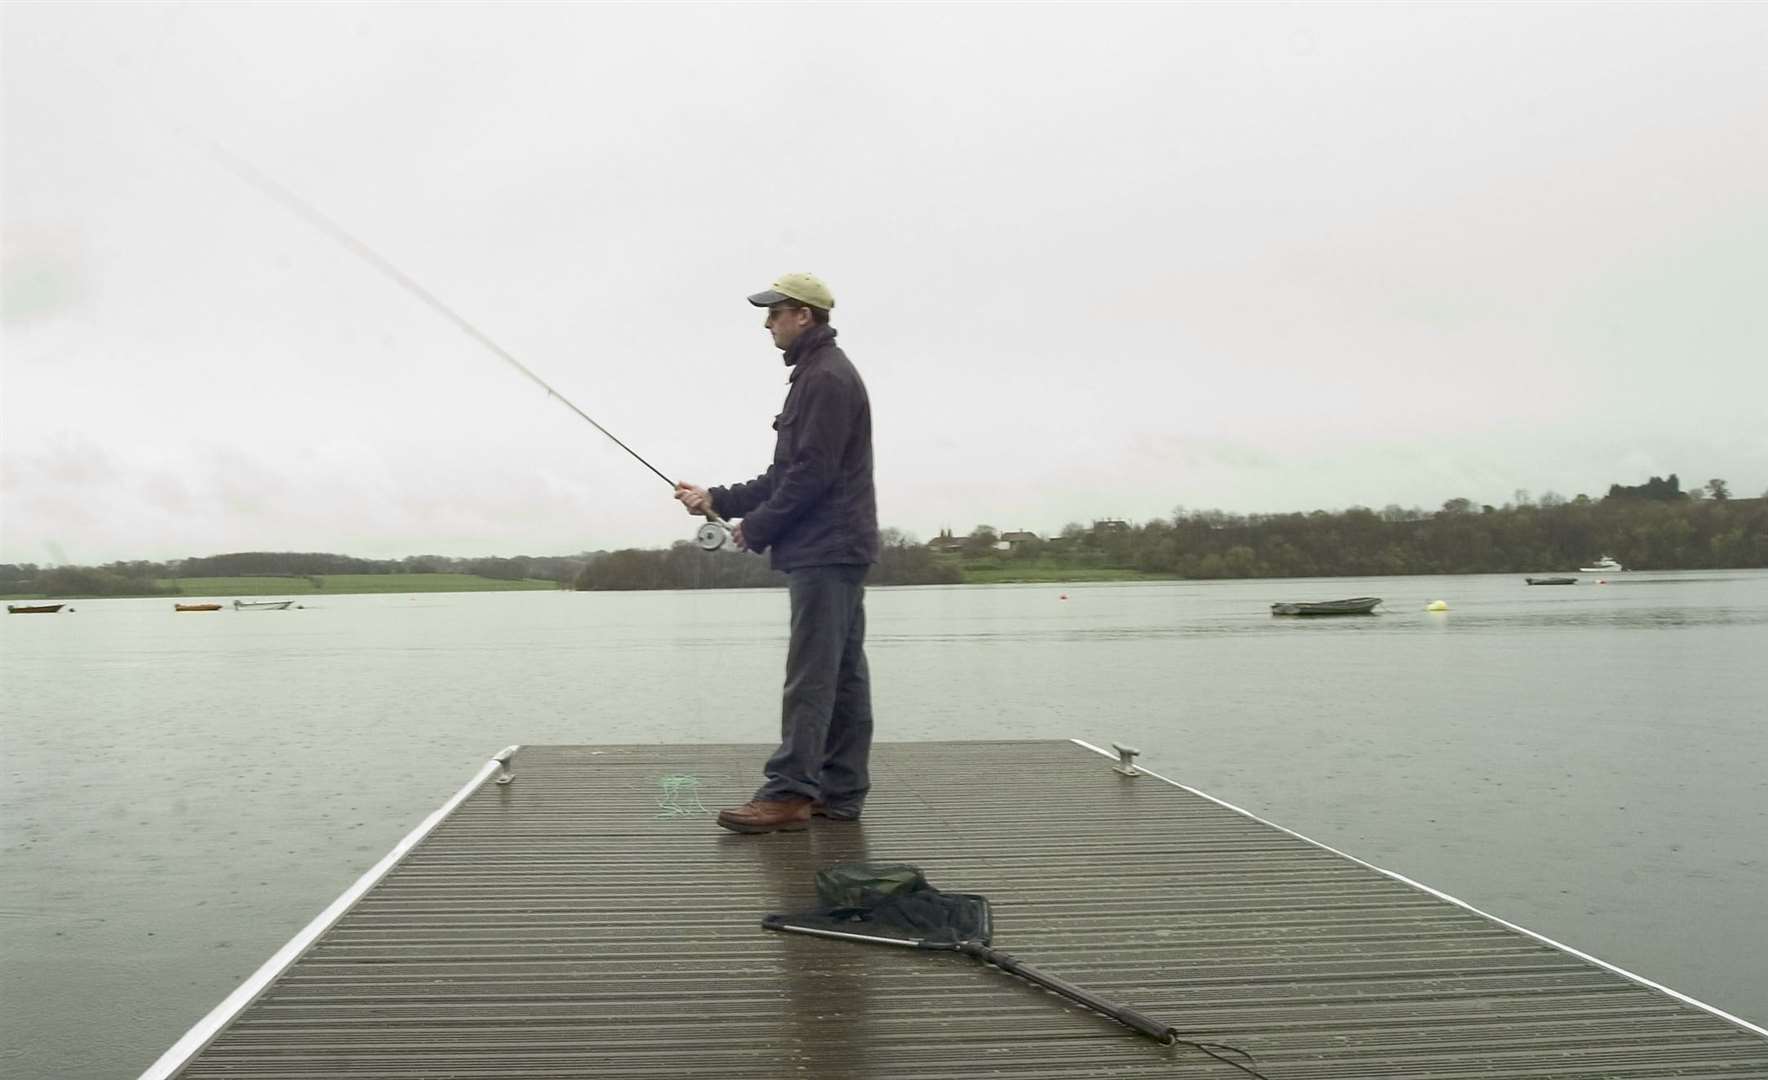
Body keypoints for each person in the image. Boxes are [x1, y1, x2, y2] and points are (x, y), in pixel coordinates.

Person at [674, 272, 879, 834]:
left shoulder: (827, 379)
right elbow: (785, 473)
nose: (767, 323)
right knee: (840, 675)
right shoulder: (815, 376)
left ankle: (789, 792)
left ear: (804, 316)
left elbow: (812, 475)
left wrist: (756, 527)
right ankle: (838, 794)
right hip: (833, 547)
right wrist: (718, 499)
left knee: (811, 675)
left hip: (827, 548)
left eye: (775, 313)